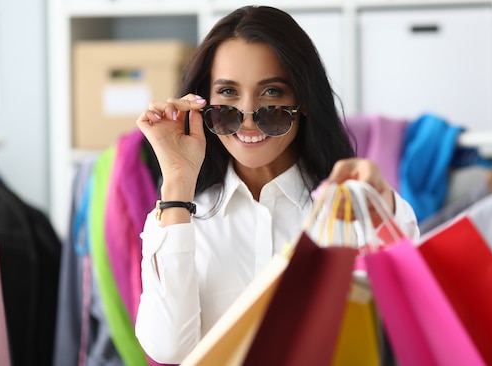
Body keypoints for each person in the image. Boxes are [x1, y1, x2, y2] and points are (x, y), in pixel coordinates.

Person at [134, 5, 419, 364]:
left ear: (304, 101)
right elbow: (169, 348)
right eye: (228, 94)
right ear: (203, 104)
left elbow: (412, 314)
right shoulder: (178, 220)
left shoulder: (350, 208)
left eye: (271, 94)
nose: (249, 119)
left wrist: (380, 206)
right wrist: (177, 180)